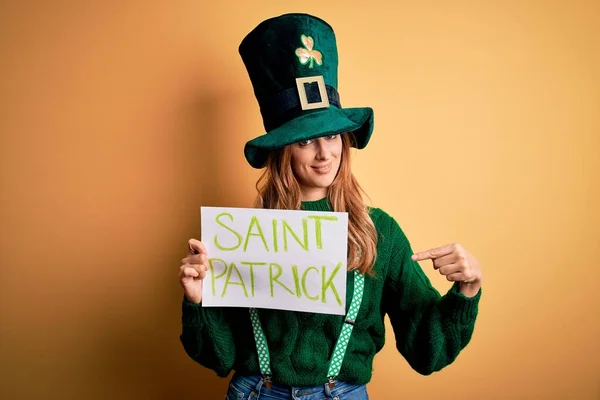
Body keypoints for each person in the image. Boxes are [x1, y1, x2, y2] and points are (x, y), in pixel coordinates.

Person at [179, 13, 482, 400]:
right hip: (256, 392)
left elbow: (427, 351)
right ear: (282, 149)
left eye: (332, 134)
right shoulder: (241, 235)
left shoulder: (379, 232)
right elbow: (218, 356)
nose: (325, 154)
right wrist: (197, 300)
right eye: (305, 140)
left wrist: (466, 291)